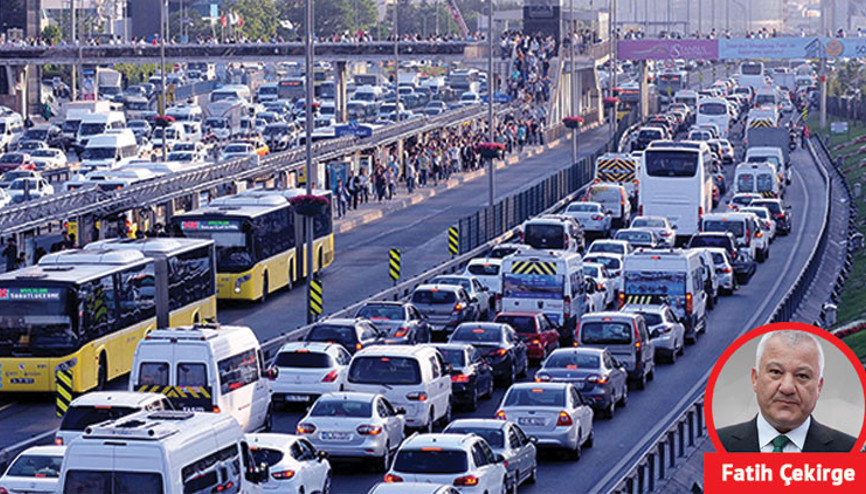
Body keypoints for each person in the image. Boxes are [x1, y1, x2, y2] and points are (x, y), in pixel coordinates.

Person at [716, 330, 857, 453]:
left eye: (802, 376)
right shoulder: (718, 444)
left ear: (819, 386)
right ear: (755, 378)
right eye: (776, 372)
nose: (787, 388)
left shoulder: (849, 451)